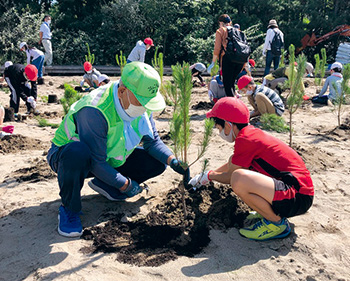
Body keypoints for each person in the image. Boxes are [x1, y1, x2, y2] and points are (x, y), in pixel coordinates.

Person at [47, 62, 190, 238]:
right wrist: (127, 184)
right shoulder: (95, 109)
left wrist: (173, 160)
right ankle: (69, 209)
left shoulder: (139, 105)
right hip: (69, 158)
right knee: (78, 152)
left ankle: (107, 185)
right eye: (142, 102)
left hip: (107, 157)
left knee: (157, 163)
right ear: (122, 91)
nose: (145, 107)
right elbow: (96, 161)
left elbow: (152, 143)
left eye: (148, 102)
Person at [189, 97, 314, 241]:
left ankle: (276, 223)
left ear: (228, 126)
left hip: (297, 196)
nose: (220, 132)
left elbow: (231, 176)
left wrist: (209, 176)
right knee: (235, 164)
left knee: (238, 179)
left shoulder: (245, 140)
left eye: (219, 128)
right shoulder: (249, 134)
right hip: (296, 192)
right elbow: (232, 164)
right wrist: (207, 174)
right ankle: (267, 212)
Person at [208, 14, 247, 97]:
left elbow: (217, 49)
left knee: (227, 84)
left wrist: (213, 62)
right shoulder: (239, 32)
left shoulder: (221, 31)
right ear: (230, 22)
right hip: (240, 60)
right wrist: (245, 64)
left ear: (221, 23)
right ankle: (235, 102)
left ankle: (232, 105)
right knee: (232, 82)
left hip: (228, 59)